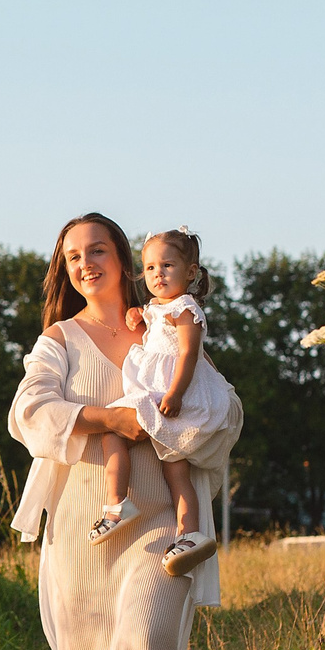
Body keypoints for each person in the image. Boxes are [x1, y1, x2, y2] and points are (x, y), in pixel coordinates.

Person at [8, 214, 240, 650]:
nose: (86, 264)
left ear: (123, 259)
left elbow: (221, 403)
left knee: (145, 636)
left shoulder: (163, 318)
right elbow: (27, 411)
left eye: (98, 250)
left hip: (160, 512)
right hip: (88, 517)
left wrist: (182, 419)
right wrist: (108, 420)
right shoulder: (60, 338)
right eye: (73, 256)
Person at [87, 230, 234, 579]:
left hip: (170, 395)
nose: (158, 274)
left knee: (166, 466)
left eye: (168, 265)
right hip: (156, 392)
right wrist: (140, 315)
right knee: (147, 454)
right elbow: (155, 325)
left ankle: (151, 518)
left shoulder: (186, 310)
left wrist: (176, 393)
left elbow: (188, 354)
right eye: (150, 267)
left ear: (190, 272)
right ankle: (166, 526)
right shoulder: (159, 308)